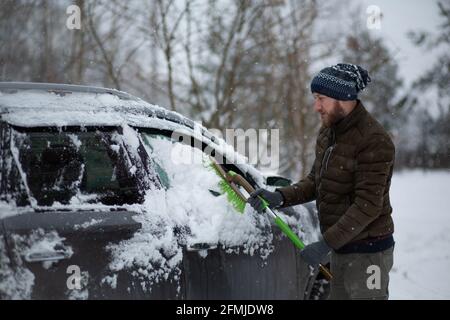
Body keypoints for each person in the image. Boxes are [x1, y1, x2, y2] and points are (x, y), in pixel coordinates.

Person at [248, 63, 396, 300]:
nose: (316, 107)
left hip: (369, 254)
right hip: (341, 248)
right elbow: (316, 182)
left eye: (321, 99)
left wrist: (325, 243)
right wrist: (280, 196)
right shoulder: (329, 133)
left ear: (343, 98)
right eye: (315, 98)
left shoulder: (374, 140)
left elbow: (367, 205)